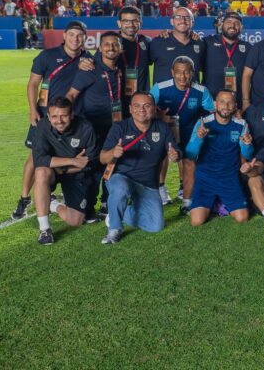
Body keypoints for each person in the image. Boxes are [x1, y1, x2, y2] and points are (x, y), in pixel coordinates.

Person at [14, 20, 92, 222]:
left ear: (85, 38)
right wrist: (33, 110)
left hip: (72, 119)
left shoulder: (87, 59)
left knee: (71, 154)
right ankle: (24, 198)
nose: (76, 39)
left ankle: (62, 194)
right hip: (46, 116)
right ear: (64, 36)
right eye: (72, 34)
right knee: (35, 156)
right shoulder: (47, 56)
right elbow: (33, 84)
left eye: (80, 35)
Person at [99, 92, 180, 244]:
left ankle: (119, 211)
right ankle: (114, 228)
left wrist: (175, 155)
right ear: (130, 109)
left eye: (146, 106)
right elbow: (102, 158)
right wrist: (113, 153)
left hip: (148, 183)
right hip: (121, 177)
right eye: (136, 106)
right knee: (121, 187)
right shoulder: (120, 128)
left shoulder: (162, 128)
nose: (141, 110)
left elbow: (176, 151)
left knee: (155, 226)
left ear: (154, 109)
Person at [66, 31, 125, 218]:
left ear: (120, 48)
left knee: (113, 163)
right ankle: (88, 204)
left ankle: (106, 202)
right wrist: (69, 120)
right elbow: (71, 95)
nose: (111, 48)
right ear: (99, 47)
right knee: (93, 166)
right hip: (92, 127)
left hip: (114, 126)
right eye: (107, 44)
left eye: (115, 44)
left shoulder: (119, 68)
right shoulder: (90, 68)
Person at [30, 97, 98, 244]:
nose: (59, 120)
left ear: (72, 115)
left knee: (76, 221)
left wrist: (64, 169)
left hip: (75, 175)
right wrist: (72, 161)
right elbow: (39, 160)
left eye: (64, 116)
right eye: (54, 116)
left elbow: (90, 163)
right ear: (48, 116)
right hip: (55, 171)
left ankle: (53, 204)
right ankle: (45, 230)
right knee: (41, 172)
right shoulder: (42, 125)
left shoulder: (86, 128)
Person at [151, 56, 215, 211]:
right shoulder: (160, 88)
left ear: (193, 73)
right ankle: (160, 189)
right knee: (161, 156)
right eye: (179, 72)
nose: (182, 76)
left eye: (187, 72)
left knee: (188, 159)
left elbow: (214, 112)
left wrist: (204, 125)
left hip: (189, 130)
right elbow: (145, 108)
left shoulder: (201, 91)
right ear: (172, 72)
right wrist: (158, 116)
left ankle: (184, 192)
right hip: (164, 129)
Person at [184, 89, 253, 226]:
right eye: (222, 102)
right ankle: (217, 202)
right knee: (196, 221)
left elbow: (248, 155)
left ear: (235, 106)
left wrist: (247, 145)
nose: (225, 106)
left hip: (229, 178)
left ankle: (219, 201)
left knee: (242, 218)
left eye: (229, 103)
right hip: (205, 179)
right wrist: (198, 138)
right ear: (215, 104)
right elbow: (190, 154)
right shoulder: (203, 122)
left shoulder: (241, 125)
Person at [148, 7, 204, 85]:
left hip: (191, 96)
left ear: (192, 22)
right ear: (172, 21)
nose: (183, 21)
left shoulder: (201, 44)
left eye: (187, 18)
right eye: (178, 17)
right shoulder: (158, 42)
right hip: (163, 96)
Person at [203, 11, 250, 103]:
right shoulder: (207, 42)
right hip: (210, 102)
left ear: (242, 27)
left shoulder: (248, 48)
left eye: (237, 23)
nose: (232, 25)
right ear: (222, 24)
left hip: (237, 102)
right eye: (229, 22)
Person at [115, 6, 151, 109]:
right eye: (126, 21)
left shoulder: (147, 42)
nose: (130, 24)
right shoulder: (110, 44)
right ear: (119, 23)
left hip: (141, 103)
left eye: (135, 21)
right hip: (117, 102)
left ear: (141, 23)